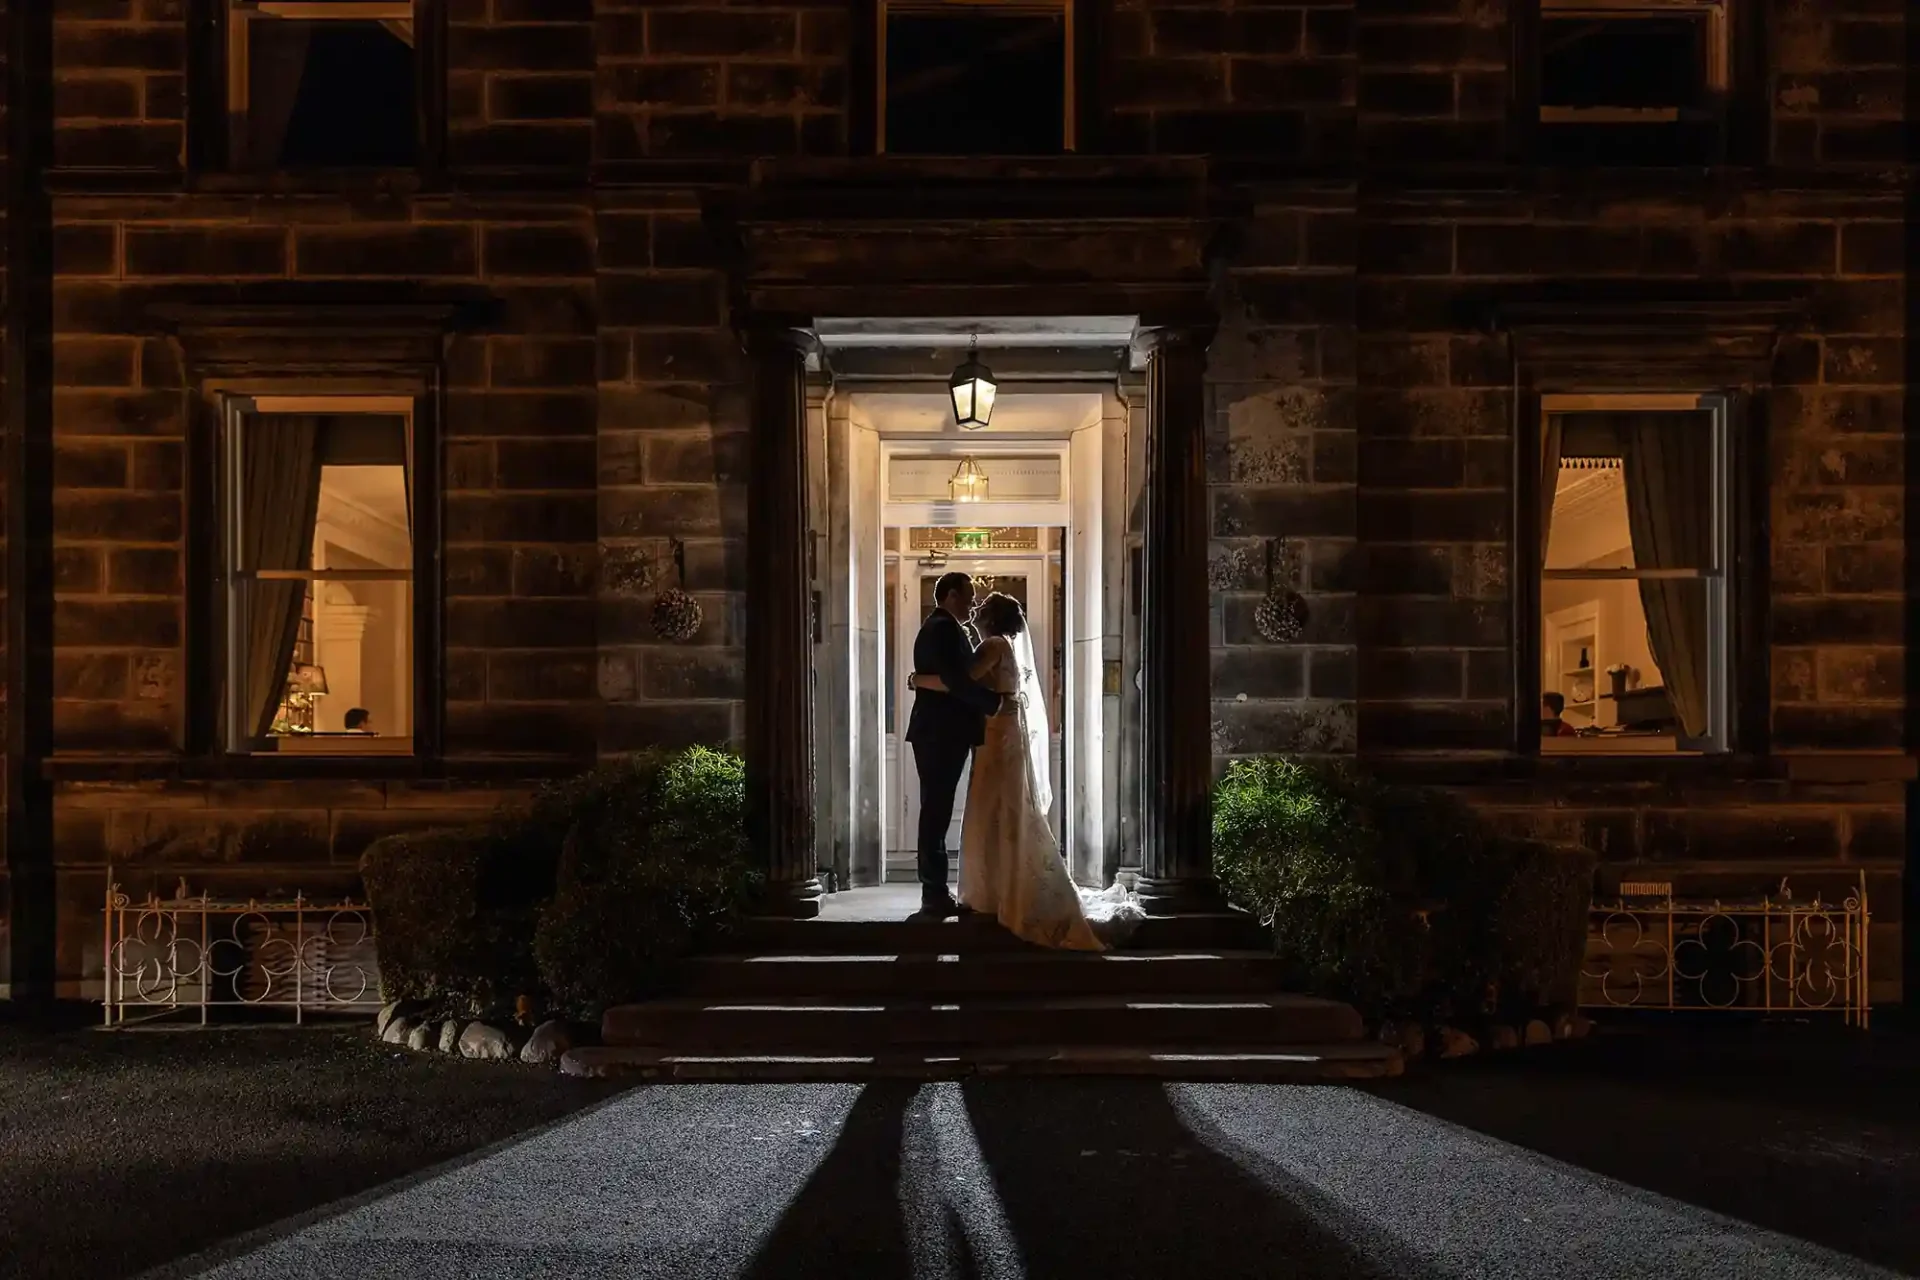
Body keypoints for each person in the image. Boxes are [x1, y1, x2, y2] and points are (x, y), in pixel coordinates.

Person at [910, 591, 1103, 951]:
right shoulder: (1003, 645)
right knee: (1004, 807)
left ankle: (996, 889)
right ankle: (1003, 884)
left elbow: (958, 683)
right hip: (1003, 732)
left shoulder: (992, 646)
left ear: (991, 619)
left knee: (992, 807)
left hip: (997, 736)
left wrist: (917, 679)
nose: (974, 609)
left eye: (980, 608)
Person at [903, 573, 1005, 919]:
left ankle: (935, 891)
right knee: (935, 811)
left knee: (938, 809)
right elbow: (952, 680)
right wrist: (993, 703)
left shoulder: (944, 627)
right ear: (949, 596)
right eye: (968, 596)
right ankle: (933, 893)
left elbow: (950, 677)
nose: (972, 603)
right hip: (939, 732)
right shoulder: (942, 628)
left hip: (941, 731)